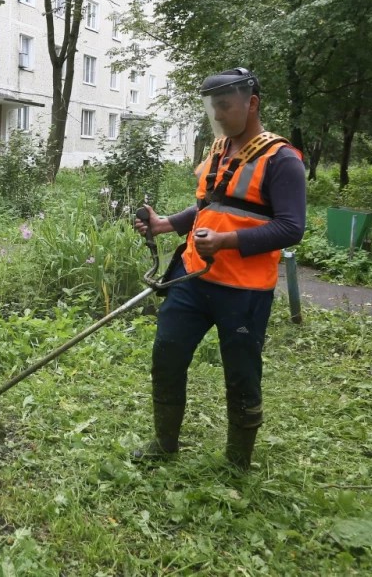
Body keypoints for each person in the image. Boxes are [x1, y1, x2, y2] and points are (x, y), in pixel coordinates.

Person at [133, 68, 306, 470]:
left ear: (252, 103)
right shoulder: (219, 149)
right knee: (167, 355)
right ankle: (165, 440)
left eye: (225, 106)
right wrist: (166, 224)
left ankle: (237, 461)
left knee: (242, 374)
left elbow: (292, 228)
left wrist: (228, 242)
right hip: (192, 278)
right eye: (213, 107)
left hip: (244, 291)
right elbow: (211, 206)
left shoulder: (282, 160)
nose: (218, 115)